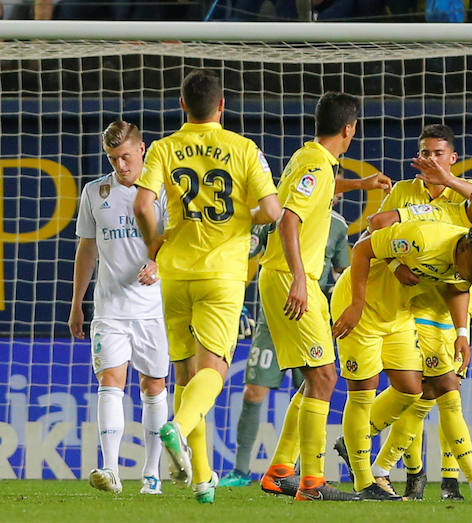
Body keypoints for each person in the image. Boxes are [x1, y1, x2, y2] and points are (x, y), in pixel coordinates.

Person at [133, 68, 282, 503]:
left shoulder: (164, 147)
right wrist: (245, 216)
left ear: (182, 105)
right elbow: (272, 211)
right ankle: (176, 429)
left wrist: (154, 244)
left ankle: (202, 481)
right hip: (222, 273)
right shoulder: (244, 148)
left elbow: (143, 204)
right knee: (213, 372)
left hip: (175, 271)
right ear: (222, 105)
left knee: (184, 374)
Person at [255, 92, 391, 502]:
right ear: (349, 129)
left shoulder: (309, 157)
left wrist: (360, 183)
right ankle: (312, 482)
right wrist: (299, 278)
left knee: (314, 377)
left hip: (281, 275)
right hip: (290, 277)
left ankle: (281, 471)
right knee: (326, 376)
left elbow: (315, 191)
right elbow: (289, 221)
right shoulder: (316, 164)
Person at [359, 169, 472, 501]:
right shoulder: (437, 214)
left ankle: (382, 464)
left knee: (426, 395)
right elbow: (379, 223)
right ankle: (471, 480)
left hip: (454, 318)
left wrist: (463, 328)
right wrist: (395, 265)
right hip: (421, 311)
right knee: (443, 390)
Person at [346, 123, 472, 500]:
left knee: (430, 394)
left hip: (450, 306)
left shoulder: (466, 199)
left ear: (452, 157)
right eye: (425, 152)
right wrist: (392, 267)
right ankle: (420, 474)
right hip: (407, 307)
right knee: (425, 391)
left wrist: (449, 180)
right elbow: (374, 241)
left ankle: (401, 468)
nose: (430, 159)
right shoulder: (402, 191)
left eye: (438, 153)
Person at [219, 177, 352, 488]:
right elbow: (244, 255)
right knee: (255, 390)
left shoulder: (337, 225)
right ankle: (242, 470)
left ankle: (293, 470)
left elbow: (341, 273)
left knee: (313, 384)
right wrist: (235, 301)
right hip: (273, 315)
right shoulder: (278, 216)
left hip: (310, 316)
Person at [69, 120, 169, 496]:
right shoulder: (96, 192)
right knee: (110, 382)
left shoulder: (163, 192)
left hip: (154, 309)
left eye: (126, 156)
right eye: (113, 159)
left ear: (142, 149)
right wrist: (77, 303)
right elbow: (87, 248)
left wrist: (158, 263)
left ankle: (151, 474)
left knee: (153, 385)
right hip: (110, 308)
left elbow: (177, 240)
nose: (121, 165)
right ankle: (110, 469)